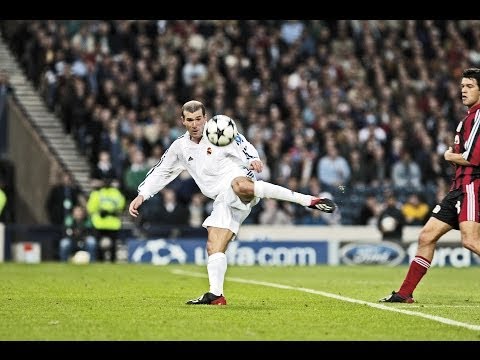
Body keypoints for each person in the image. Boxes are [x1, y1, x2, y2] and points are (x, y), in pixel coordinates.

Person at [128, 100, 336, 305]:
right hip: (221, 200)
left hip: (239, 182)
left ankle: (307, 200)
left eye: (199, 119)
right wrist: (143, 195)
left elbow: (243, 144)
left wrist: (252, 159)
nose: (195, 124)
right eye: (190, 120)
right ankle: (216, 295)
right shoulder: (180, 147)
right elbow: (162, 171)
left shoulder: (219, 131)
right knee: (213, 245)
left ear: (205, 118)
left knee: (239, 186)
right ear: (182, 121)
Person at [380, 68, 480, 303]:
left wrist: (448, 156)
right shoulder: (468, 117)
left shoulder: (478, 116)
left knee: (471, 241)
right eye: (462, 86)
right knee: (426, 236)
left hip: (471, 186)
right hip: (458, 188)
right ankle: (405, 294)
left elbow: (472, 158)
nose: (463, 90)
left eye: (469, 86)